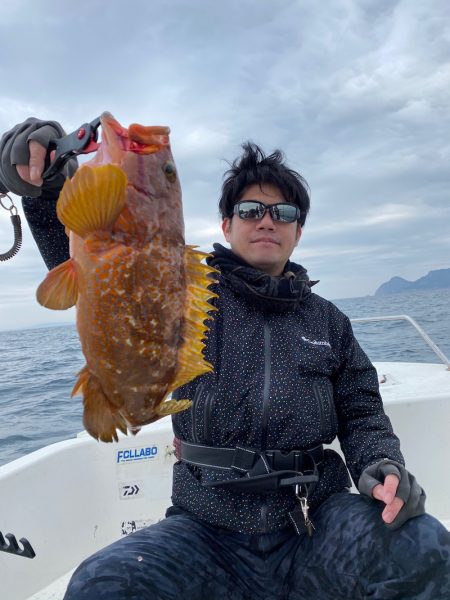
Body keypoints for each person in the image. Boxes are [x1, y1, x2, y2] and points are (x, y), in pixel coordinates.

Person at [1, 118, 449, 600]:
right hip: (206, 529)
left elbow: (362, 412)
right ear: (226, 223)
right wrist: (43, 189)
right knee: (103, 584)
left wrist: (383, 464)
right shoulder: (181, 290)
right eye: (251, 208)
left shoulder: (330, 322)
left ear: (298, 231)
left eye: (284, 212)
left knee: (426, 549)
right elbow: (102, 270)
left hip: (315, 520)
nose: (267, 220)